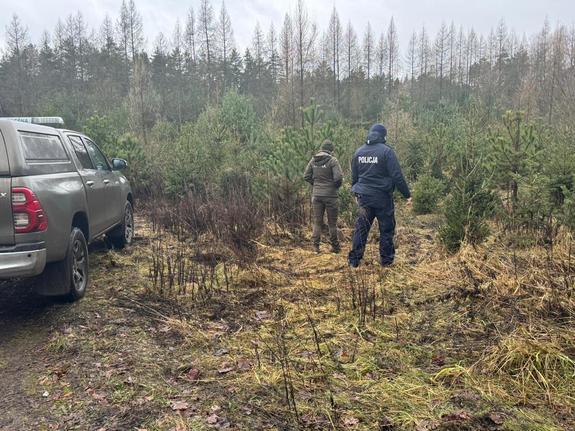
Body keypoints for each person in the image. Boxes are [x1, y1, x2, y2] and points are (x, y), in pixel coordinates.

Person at [348, 124, 411, 267]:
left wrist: (355, 191)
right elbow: (397, 176)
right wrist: (407, 195)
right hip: (382, 198)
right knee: (386, 229)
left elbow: (354, 176)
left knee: (361, 229)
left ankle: (354, 262)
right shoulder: (387, 152)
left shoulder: (359, 152)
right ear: (383, 136)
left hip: (363, 197)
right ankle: (386, 263)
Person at [304, 140, 344, 253]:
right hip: (331, 196)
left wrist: (316, 185)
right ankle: (335, 247)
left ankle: (315, 247)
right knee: (332, 223)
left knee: (317, 222)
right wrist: (334, 187)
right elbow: (338, 178)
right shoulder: (333, 160)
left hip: (316, 195)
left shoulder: (313, 160)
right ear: (331, 150)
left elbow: (306, 176)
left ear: (321, 148)